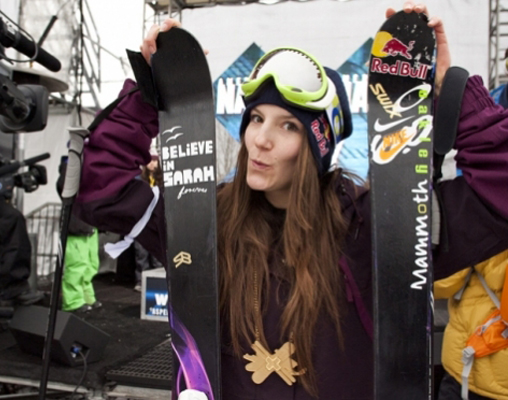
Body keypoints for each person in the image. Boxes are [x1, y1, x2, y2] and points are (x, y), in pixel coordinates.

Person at [73, 2, 508, 399]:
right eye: (256, 118)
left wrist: (450, 89)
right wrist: (147, 100)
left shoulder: (371, 226)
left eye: (288, 126)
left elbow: (499, 194)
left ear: (318, 145)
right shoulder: (205, 217)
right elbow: (102, 189)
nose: (260, 140)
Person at [57, 155, 101, 313]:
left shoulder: (92, 168)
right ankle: (73, 301)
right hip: (76, 226)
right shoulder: (71, 167)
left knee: (91, 265)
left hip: (89, 226)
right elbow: (64, 187)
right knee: (76, 266)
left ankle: (86, 297)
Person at [133, 149, 164, 292]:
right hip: (141, 221)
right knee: (141, 253)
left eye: (155, 160)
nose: (152, 164)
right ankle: (141, 281)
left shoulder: (163, 180)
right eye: (150, 160)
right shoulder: (139, 179)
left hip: (157, 222)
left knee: (157, 253)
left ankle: (160, 280)